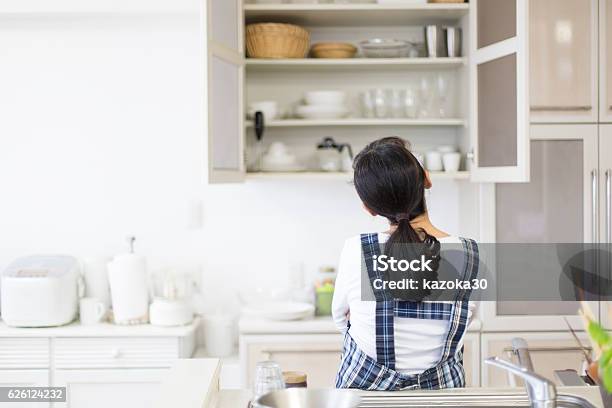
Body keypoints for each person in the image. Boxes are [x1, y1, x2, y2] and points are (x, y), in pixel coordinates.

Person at [332, 136, 478, 390]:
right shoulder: (469, 254)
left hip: (365, 398)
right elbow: (467, 317)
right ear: (427, 179)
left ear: (369, 208)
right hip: (442, 399)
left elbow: (340, 318)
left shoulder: (356, 250)